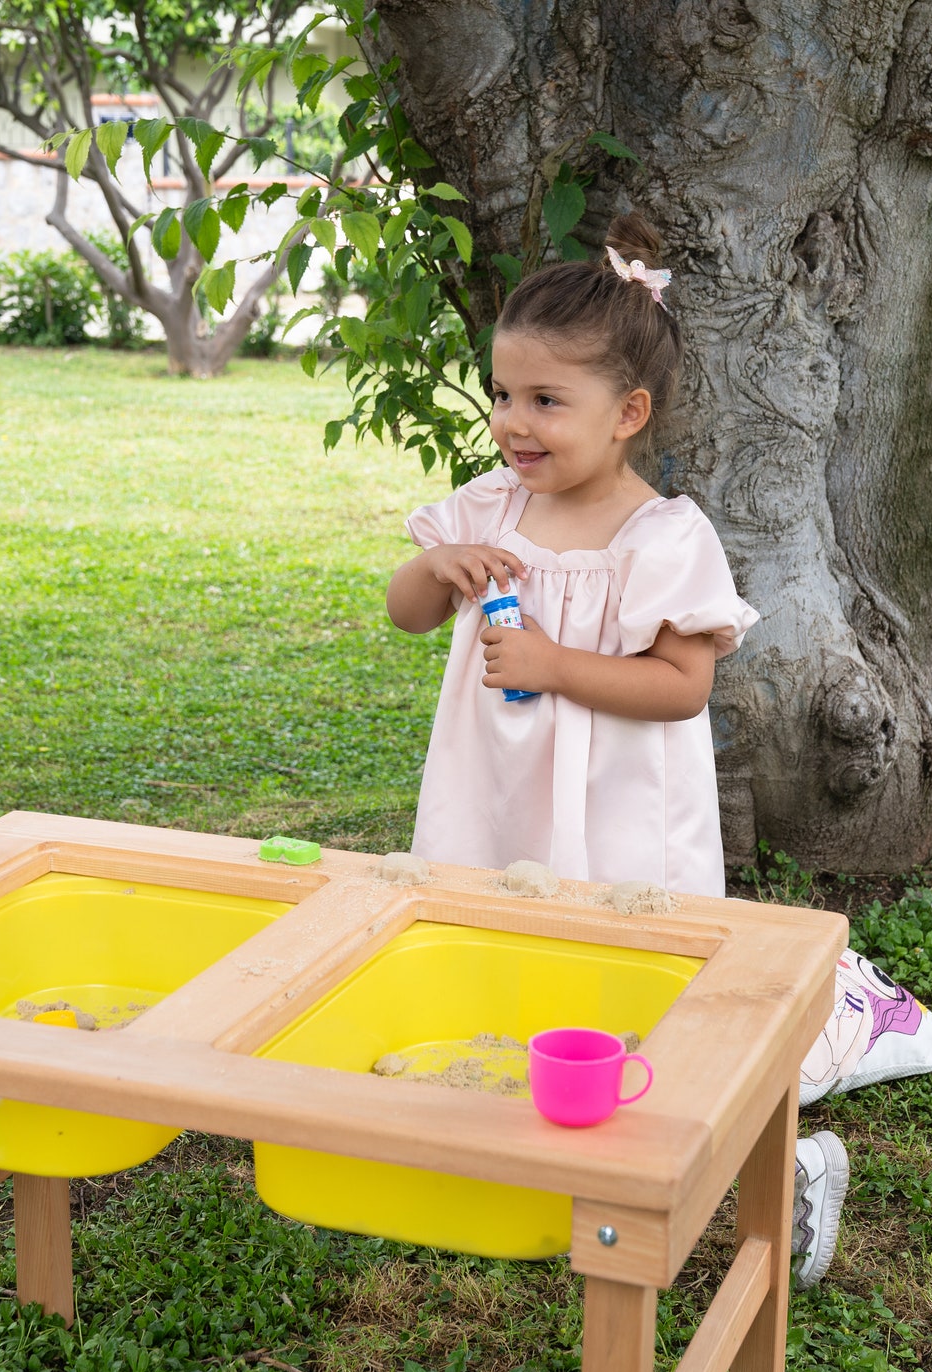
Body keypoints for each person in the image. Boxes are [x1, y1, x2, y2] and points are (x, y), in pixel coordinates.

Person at [386, 211, 848, 1286]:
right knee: (505, 954)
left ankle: (788, 1167)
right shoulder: (492, 506)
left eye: (547, 400)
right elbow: (409, 610)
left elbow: (683, 684)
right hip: (497, 787)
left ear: (628, 412)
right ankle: (524, 1149)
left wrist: (554, 665)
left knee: (646, 1000)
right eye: (503, 395)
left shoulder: (661, 537)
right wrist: (438, 563)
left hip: (622, 806)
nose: (515, 422)